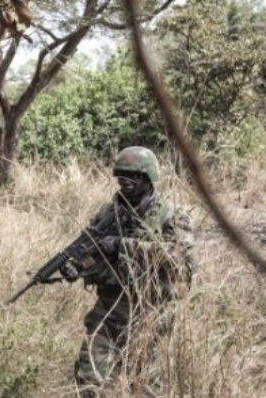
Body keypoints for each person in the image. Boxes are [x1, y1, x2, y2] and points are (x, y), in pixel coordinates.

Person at [59, 146, 194, 397]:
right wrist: (76, 268)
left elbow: (178, 259)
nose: (125, 182)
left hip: (150, 312)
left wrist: (123, 245)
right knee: (89, 380)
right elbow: (91, 252)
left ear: (148, 178)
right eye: (121, 176)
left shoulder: (172, 216)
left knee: (144, 386)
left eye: (134, 176)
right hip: (108, 309)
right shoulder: (107, 214)